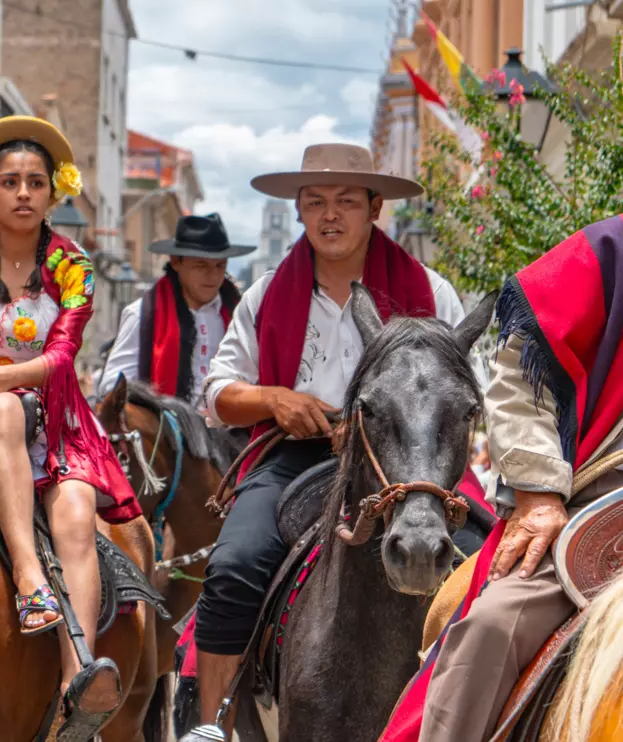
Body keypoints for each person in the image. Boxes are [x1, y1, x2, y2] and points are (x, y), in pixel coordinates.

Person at [179, 143, 467, 742]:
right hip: (295, 460)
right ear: (301, 212)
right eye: (315, 203)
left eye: (344, 201)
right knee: (232, 565)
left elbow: (467, 397)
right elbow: (217, 392)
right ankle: (210, 727)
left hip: (411, 465)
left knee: (498, 563)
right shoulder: (263, 295)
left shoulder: (434, 293)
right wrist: (275, 400)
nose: (329, 215)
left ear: (374, 208)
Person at [0, 115, 142, 735]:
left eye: (35, 182)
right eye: (9, 181)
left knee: (74, 512)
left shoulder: (73, 266)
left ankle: (77, 683)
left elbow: (65, 355)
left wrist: (7, 377)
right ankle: (26, 571)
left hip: (57, 420)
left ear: (51, 194)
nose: (22, 193)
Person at [377, 217, 623, 742]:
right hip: (608, 507)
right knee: (492, 627)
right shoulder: (610, 251)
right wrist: (537, 493)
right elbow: (520, 360)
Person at [96, 213, 249, 402]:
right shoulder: (141, 316)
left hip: (231, 426)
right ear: (176, 262)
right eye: (201, 265)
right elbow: (112, 386)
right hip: (167, 428)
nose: (213, 275)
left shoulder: (241, 316)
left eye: (220, 266)